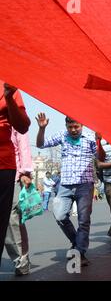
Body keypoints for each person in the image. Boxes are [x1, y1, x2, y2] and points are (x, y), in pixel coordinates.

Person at [36, 113, 97, 266]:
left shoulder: (90, 138)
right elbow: (40, 144)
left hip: (85, 184)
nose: (73, 130)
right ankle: (77, 242)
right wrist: (42, 129)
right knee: (60, 216)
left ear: (82, 125)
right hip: (65, 185)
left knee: (84, 220)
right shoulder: (62, 136)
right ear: (66, 127)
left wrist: (100, 142)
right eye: (70, 127)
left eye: (76, 126)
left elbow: (100, 157)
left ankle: (80, 252)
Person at [0, 83, 30, 268]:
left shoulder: (8, 84)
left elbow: (23, 130)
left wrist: (9, 98)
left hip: (4, 166)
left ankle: (21, 259)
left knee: (8, 220)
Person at [5, 129, 33, 276]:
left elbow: (23, 144)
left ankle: (21, 260)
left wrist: (26, 171)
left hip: (10, 173)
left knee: (12, 219)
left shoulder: (11, 110)